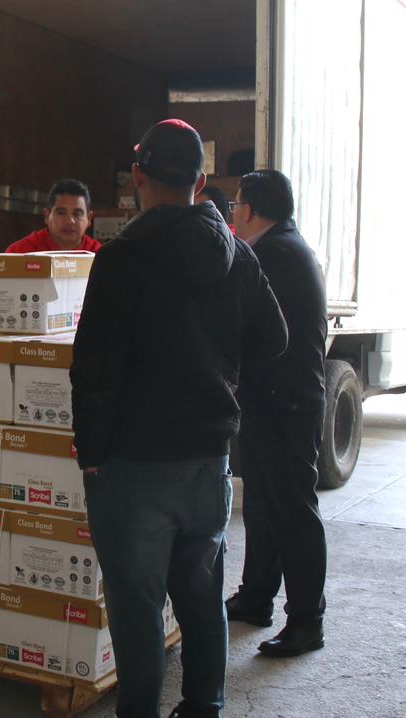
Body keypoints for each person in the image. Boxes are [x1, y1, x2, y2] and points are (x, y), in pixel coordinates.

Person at [70, 119, 288, 718]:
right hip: (208, 463)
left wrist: (92, 455)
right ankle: (204, 706)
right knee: (201, 597)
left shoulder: (121, 258)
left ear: (138, 176)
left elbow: (93, 370)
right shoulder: (237, 254)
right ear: (201, 178)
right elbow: (274, 339)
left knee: (138, 613)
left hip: (135, 466)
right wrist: (221, 372)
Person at [226, 170, 328, 658]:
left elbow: (248, 329)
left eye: (236, 205)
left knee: (292, 512)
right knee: (264, 506)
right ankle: (256, 597)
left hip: (286, 405)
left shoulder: (273, 255)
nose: (233, 214)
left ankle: (307, 621)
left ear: (249, 210)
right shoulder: (283, 246)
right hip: (273, 402)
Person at [7, 178, 102, 253]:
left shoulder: (100, 254)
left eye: (77, 214)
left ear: (89, 218)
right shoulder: (19, 252)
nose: (69, 221)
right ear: (47, 216)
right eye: (61, 213)